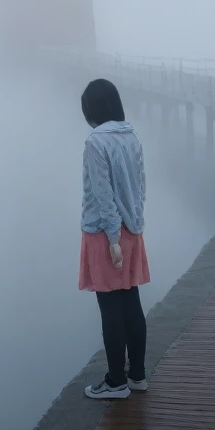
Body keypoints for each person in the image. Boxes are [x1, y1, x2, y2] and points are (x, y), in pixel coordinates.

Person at [79, 77, 150, 399]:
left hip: (107, 233)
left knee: (110, 308)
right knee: (131, 302)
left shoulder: (96, 141)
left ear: (91, 109)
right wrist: (133, 225)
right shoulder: (131, 135)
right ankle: (137, 375)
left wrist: (112, 238)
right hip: (132, 228)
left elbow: (102, 193)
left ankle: (115, 382)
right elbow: (141, 184)